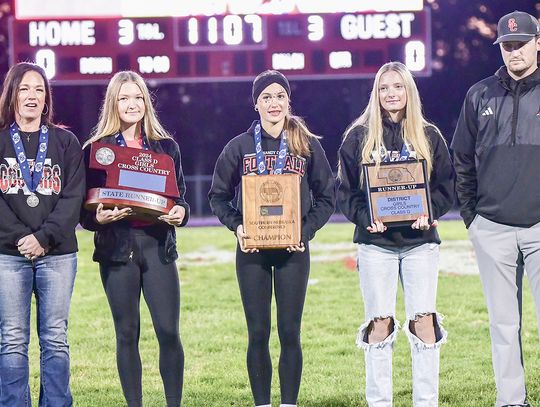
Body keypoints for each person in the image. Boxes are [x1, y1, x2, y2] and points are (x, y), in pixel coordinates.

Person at [208, 70, 335, 407]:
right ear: (256, 104)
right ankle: (263, 403)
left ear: (288, 101)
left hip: (293, 249)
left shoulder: (305, 144)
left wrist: (304, 231)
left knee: (290, 332)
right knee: (258, 333)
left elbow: (327, 196)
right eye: (266, 97)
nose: (274, 103)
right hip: (253, 251)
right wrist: (237, 227)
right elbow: (217, 196)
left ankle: (289, 403)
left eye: (280, 96)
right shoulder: (239, 147)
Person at [337, 61, 454, 406]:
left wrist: (428, 213)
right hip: (376, 244)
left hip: (420, 244)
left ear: (409, 92)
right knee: (379, 324)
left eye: (398, 87)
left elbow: (446, 186)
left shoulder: (428, 135)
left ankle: (426, 402)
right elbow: (345, 191)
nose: (391, 94)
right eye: (384, 88)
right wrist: (365, 218)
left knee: (424, 324)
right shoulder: (358, 137)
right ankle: (379, 402)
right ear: (376, 93)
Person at [80, 71, 189, 407]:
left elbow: (180, 199)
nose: (132, 104)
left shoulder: (167, 147)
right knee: (127, 334)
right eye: (124, 98)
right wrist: (96, 219)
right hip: (117, 250)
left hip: (157, 247)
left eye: (138, 97)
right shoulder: (96, 150)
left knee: (168, 332)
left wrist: (181, 214)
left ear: (146, 102)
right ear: (113, 103)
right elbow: (85, 212)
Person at [451, 10, 540, 407]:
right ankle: (511, 400)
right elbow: (461, 158)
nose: (514, 52)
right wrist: (472, 218)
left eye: (521, 44)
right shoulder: (479, 93)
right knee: (503, 324)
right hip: (493, 227)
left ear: (538, 43)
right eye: (507, 46)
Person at [0, 62, 85, 406]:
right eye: (24, 89)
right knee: (12, 339)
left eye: (38, 89)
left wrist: (44, 237)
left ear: (47, 97)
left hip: (58, 254)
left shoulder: (66, 141)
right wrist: (22, 236)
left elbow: (74, 196)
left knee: (54, 338)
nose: (32, 96)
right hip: (8, 254)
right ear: (12, 95)